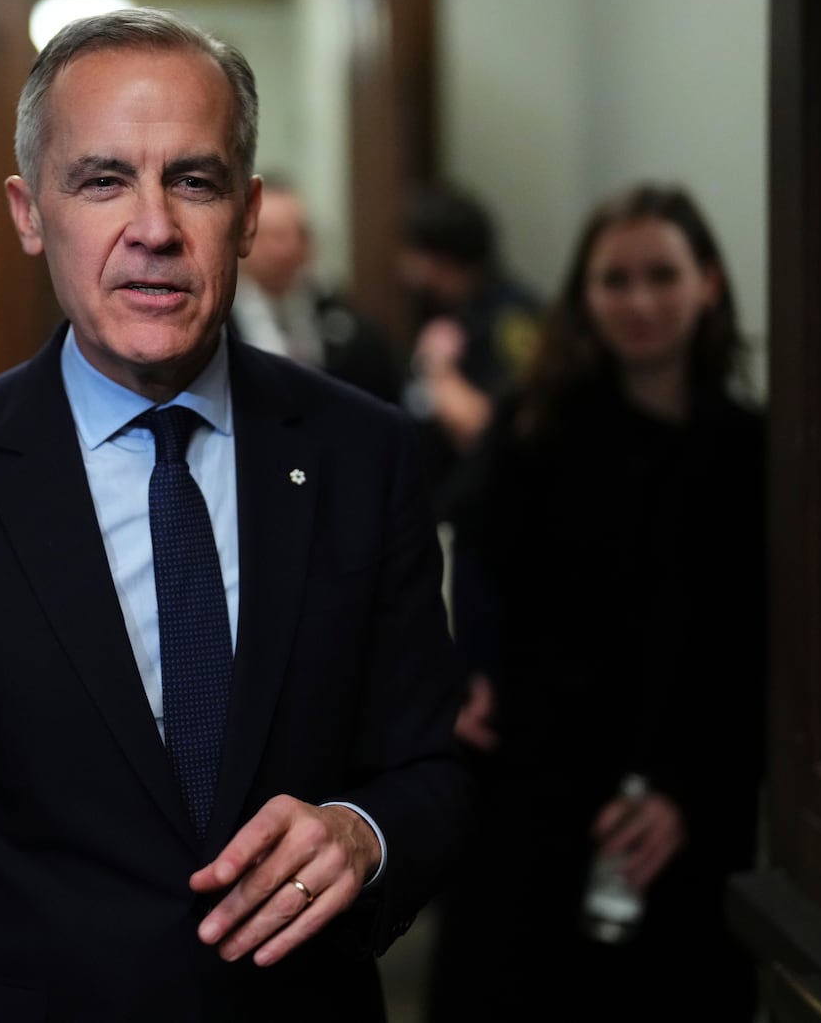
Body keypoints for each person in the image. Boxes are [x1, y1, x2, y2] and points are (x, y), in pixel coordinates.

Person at [0, 8, 466, 1022]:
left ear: (250, 209)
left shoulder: (363, 454)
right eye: (102, 179)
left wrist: (365, 828)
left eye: (194, 178)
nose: (153, 227)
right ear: (28, 211)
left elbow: (432, 769)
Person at [424, 183, 766, 1022]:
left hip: (690, 802)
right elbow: (471, 558)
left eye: (661, 273)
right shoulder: (534, 426)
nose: (639, 299)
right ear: (585, 295)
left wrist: (687, 791)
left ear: (708, 283)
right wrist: (467, 669)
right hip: (535, 790)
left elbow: (761, 646)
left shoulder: (754, 449)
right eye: (615, 279)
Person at [398, 184, 541, 510]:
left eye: (415, 254)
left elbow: (489, 434)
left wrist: (438, 371)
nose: (405, 269)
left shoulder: (510, 320)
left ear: (443, 260)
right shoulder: (446, 314)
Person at [230, 176, 401, 403]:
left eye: (299, 234)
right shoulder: (221, 323)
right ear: (244, 239)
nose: (288, 249)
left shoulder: (343, 321)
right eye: (274, 236)